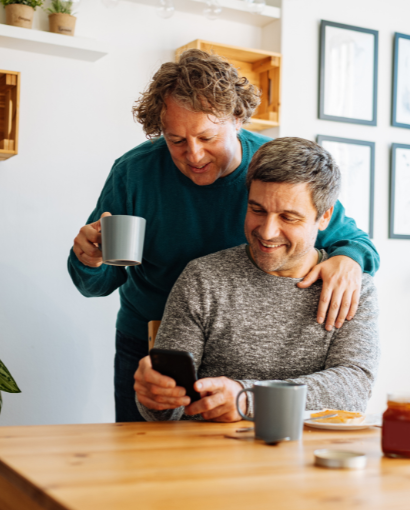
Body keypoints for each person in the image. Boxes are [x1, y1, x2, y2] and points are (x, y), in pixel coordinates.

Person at [67, 50, 380, 423]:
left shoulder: (272, 169)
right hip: (152, 344)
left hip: (245, 350)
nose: (193, 154)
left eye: (206, 136)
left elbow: (346, 236)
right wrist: (89, 259)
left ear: (237, 119)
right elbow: (98, 281)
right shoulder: (135, 174)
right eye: (176, 140)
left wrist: (349, 259)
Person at [134, 137, 379, 422]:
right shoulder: (203, 279)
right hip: (210, 456)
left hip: (310, 456)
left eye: (289, 217)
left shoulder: (352, 288)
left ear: (324, 217)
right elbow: (166, 414)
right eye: (258, 210)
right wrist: (156, 398)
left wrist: (247, 398)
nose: (267, 231)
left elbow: (353, 389)